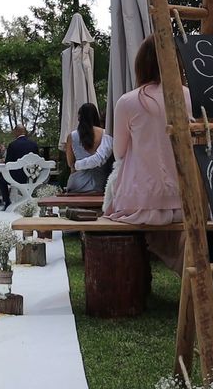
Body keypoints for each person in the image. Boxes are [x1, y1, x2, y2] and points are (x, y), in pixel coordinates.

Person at [105, 35, 192, 275]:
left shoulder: (128, 102)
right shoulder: (190, 96)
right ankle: (183, 261)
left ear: (140, 64)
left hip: (140, 203)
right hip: (186, 200)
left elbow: (119, 152)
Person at [65, 103, 110, 193]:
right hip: (100, 183)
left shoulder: (71, 136)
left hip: (77, 183)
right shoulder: (105, 134)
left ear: (79, 117)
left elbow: (70, 164)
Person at [0, 124, 39, 208]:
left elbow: (8, 163)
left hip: (16, 177)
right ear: (24, 132)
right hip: (32, 176)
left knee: (2, 180)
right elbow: (37, 161)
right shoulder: (34, 145)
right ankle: (29, 198)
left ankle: (7, 203)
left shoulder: (12, 145)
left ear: (16, 132)